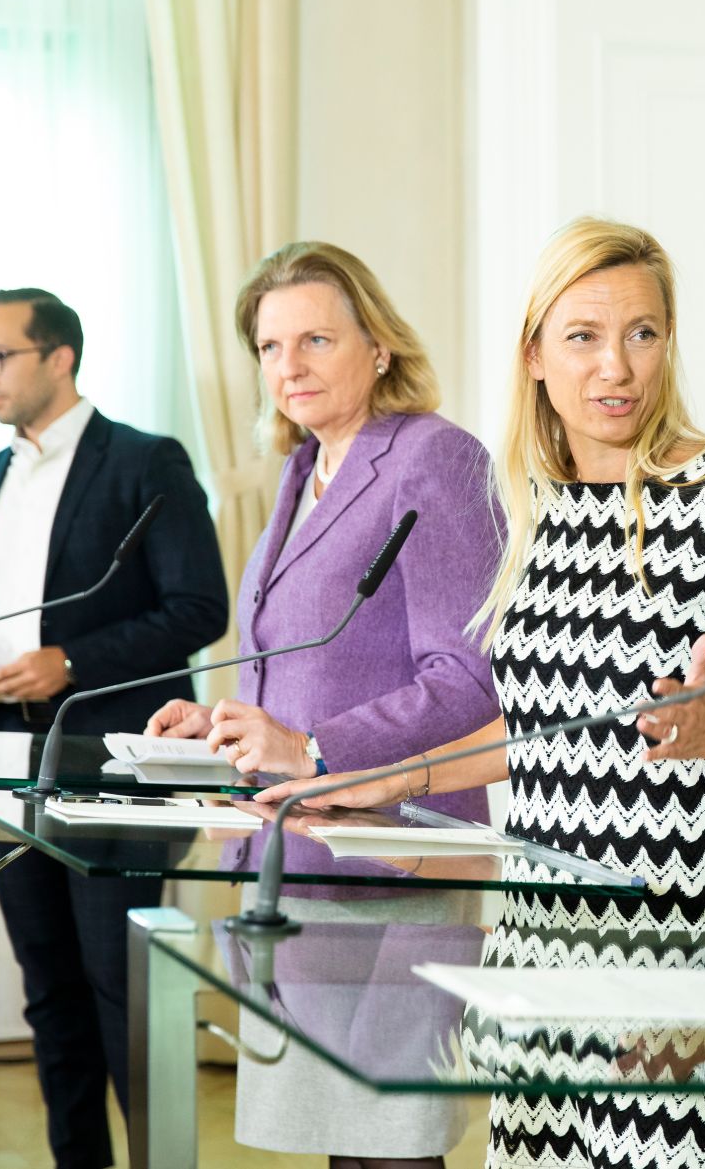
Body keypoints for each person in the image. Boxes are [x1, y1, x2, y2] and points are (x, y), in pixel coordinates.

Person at [255, 217, 705, 1169]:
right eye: (584, 337)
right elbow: (540, 728)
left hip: (678, 921)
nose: (618, 367)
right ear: (535, 356)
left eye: (642, 333)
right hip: (545, 922)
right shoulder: (537, 509)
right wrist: (387, 780)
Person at [146, 240, 503, 1169]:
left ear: (378, 346)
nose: (287, 366)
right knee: (338, 1139)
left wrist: (309, 742)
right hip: (286, 853)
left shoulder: (435, 459)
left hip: (394, 848)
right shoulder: (303, 469)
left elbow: (467, 676)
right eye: (269, 347)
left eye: (314, 339)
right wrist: (220, 717)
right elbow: (300, 657)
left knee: (390, 1141)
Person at [0, 287, 229, 1168]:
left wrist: (73, 660)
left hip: (113, 760)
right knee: (50, 993)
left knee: (119, 990)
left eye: (0, 356)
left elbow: (198, 606)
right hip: (0, 754)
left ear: (59, 357)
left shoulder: (144, 461)